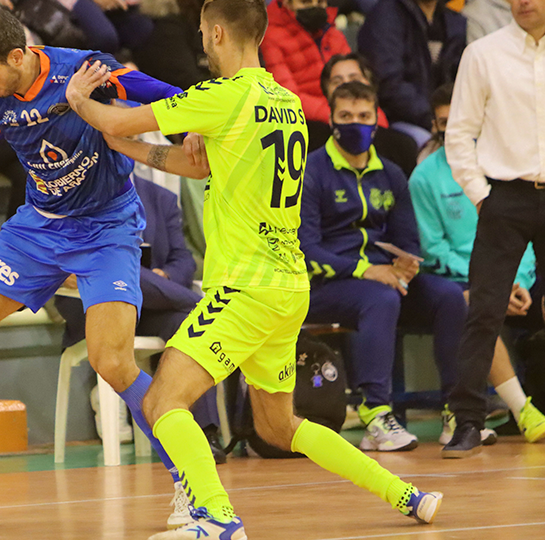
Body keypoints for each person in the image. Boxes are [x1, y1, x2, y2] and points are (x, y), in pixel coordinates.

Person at [63, 0, 442, 536]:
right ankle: (406, 494)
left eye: (200, 33)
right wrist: (125, 146)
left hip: (245, 286)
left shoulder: (223, 95)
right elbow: (198, 164)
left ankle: (217, 518)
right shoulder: (284, 101)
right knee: (278, 425)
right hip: (288, 288)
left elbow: (119, 113)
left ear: (217, 33)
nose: (201, 43)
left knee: (161, 399)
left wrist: (80, 100)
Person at [0, 8, 196, 528]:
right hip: (38, 227)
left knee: (113, 363)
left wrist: (197, 126)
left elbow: (159, 91)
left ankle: (191, 481)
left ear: (18, 55)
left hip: (106, 229)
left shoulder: (85, 70)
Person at [301, 81, 468, 452]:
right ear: (331, 120)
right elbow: (307, 249)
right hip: (325, 285)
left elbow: (408, 239)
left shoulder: (391, 173)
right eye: (346, 116)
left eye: (363, 116)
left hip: (385, 281)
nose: (355, 124)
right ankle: (375, 414)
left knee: (449, 297)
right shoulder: (312, 172)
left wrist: (407, 264)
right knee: (379, 299)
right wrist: (366, 270)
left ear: (377, 121)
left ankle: (455, 411)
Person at [55, 175, 228, 463]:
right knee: (116, 267)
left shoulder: (161, 197)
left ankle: (203, 434)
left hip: (151, 306)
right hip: (93, 301)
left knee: (189, 323)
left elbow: (183, 258)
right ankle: (205, 305)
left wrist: (166, 276)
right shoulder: (72, 192)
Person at [408, 84, 545, 446]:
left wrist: (517, 279)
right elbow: (433, 248)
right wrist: (496, 281)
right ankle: (523, 409)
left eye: (458, 122)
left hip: (518, 274)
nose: (450, 130)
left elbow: (529, 230)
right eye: (442, 123)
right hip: (457, 278)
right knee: (477, 303)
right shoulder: (423, 178)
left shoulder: (506, 170)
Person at [442, 0, 545, 458]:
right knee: (484, 309)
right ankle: (467, 421)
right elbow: (459, 132)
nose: (523, 1)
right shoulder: (483, 53)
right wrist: (481, 194)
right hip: (504, 194)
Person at [357, 0, 466, 148]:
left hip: (444, 118)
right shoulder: (385, 16)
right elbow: (389, 84)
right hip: (399, 121)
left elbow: (460, 79)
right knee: (430, 147)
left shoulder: (452, 21)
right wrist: (433, 117)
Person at [314, 53, 420, 176]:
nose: (347, 86)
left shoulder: (401, 147)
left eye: (355, 79)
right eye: (337, 82)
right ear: (326, 92)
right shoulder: (311, 144)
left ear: (371, 85)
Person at [260, 0, 351, 124]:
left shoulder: (333, 33)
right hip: (304, 119)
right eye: (305, 2)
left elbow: (357, 84)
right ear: (287, 3)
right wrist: (335, 115)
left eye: (319, 2)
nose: (314, 7)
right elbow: (286, 95)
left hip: (344, 112)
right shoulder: (271, 37)